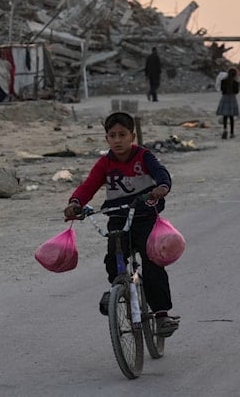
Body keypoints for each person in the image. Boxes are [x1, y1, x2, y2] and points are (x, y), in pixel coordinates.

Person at [62, 112, 179, 337]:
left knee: (153, 262)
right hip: (118, 217)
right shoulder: (104, 163)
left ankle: (162, 314)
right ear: (106, 138)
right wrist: (75, 203)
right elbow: (89, 186)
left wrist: (162, 187)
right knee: (113, 257)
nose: (117, 140)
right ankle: (118, 289)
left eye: (122, 135)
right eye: (112, 135)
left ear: (132, 136)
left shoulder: (144, 156)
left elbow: (161, 173)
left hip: (145, 217)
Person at [216, 67, 240, 139]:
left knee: (225, 116)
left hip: (225, 98)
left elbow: (222, 90)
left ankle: (225, 129)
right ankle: (232, 133)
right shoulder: (235, 82)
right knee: (231, 117)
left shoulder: (224, 81)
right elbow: (236, 91)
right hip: (232, 98)